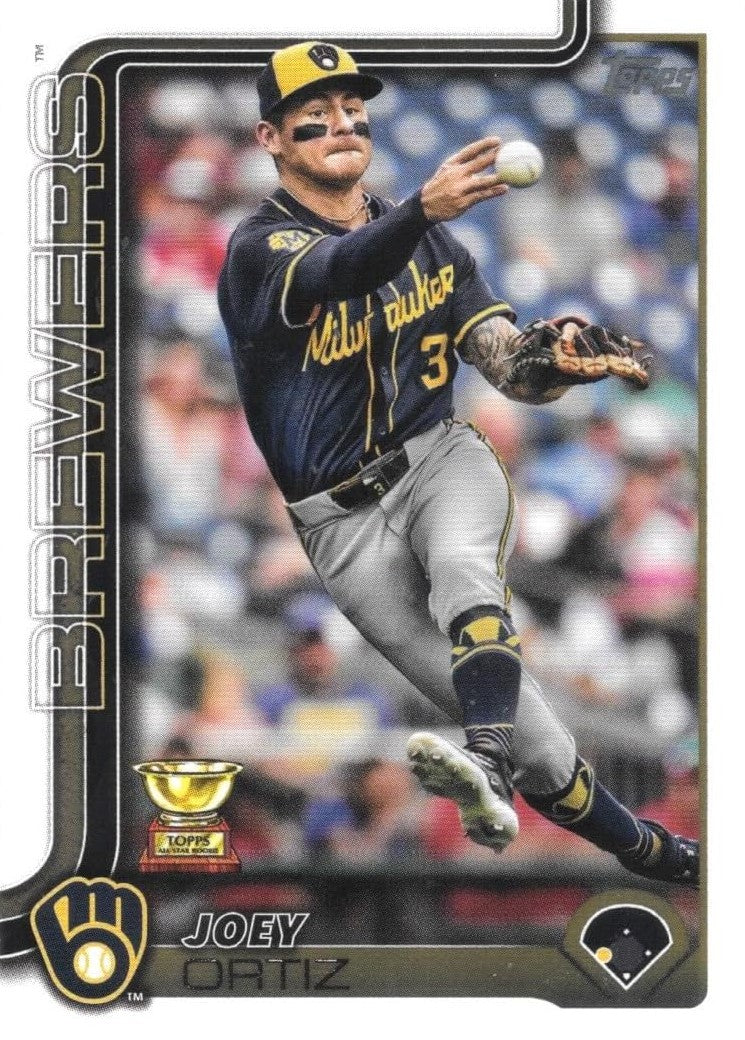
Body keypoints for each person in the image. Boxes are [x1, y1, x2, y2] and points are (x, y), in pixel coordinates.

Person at [217, 40, 698, 887]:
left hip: (438, 458)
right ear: (270, 138)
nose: (341, 123)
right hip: (340, 525)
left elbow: (507, 367)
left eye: (352, 109)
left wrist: (557, 359)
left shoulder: (431, 241)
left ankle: (482, 760)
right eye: (314, 115)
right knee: (543, 744)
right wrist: (419, 212)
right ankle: (656, 854)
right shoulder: (260, 249)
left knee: (466, 575)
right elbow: (342, 267)